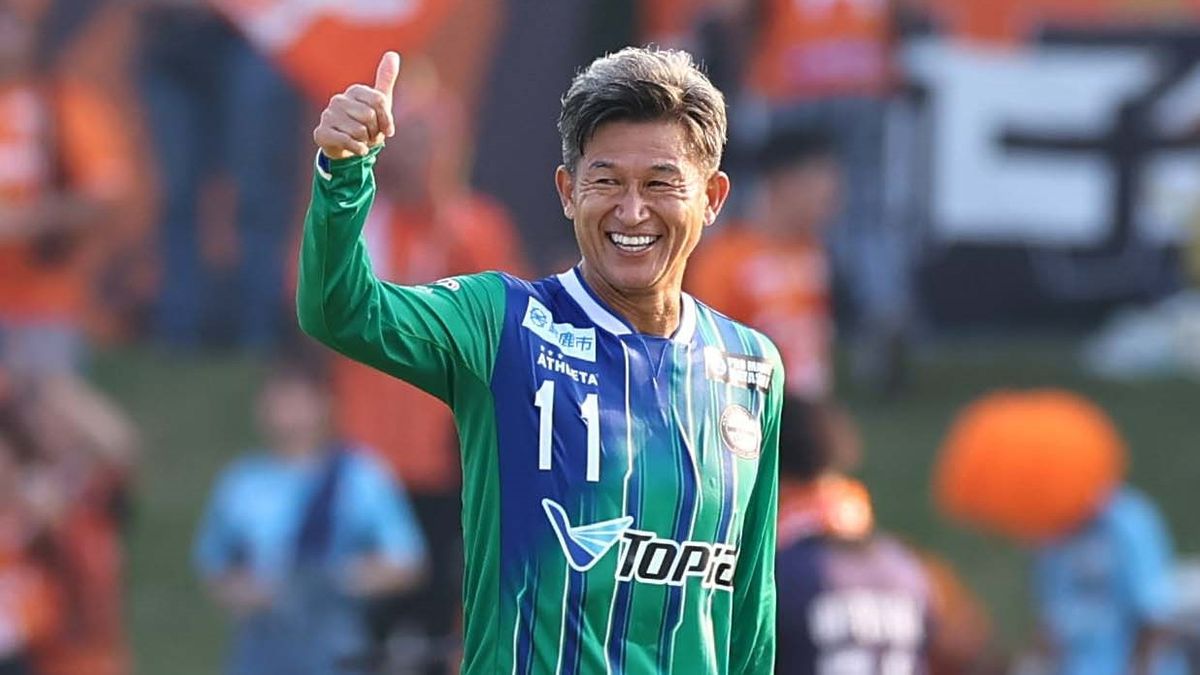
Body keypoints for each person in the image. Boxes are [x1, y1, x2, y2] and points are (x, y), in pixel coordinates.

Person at [299, 47, 784, 673]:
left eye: (660, 183)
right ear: (567, 191)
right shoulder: (502, 322)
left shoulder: (751, 366)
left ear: (712, 197)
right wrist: (344, 172)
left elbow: (750, 616)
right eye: (605, 181)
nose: (631, 211)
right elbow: (339, 310)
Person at [326, 69, 528, 672]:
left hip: (447, 451)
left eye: (426, 139)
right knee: (363, 622)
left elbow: (507, 328)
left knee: (443, 614)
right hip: (367, 450)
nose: (415, 155)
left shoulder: (475, 225)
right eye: (404, 140)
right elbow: (311, 297)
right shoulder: (363, 218)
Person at [194, 359, 426, 674]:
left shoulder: (359, 475)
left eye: (296, 399)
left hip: (337, 643)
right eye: (277, 399)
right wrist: (252, 593)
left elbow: (407, 563)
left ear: (324, 405)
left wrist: (343, 580)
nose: (285, 412)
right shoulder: (241, 481)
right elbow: (215, 566)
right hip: (262, 644)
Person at [0, 0, 134, 375]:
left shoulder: (62, 105)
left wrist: (27, 221)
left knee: (44, 400)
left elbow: (106, 193)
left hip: (41, 299)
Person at [688, 128, 839, 400]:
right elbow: (704, 354)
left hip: (805, 410)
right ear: (784, 182)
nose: (830, 197)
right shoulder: (725, 259)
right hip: (750, 410)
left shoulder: (812, 254)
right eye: (817, 183)